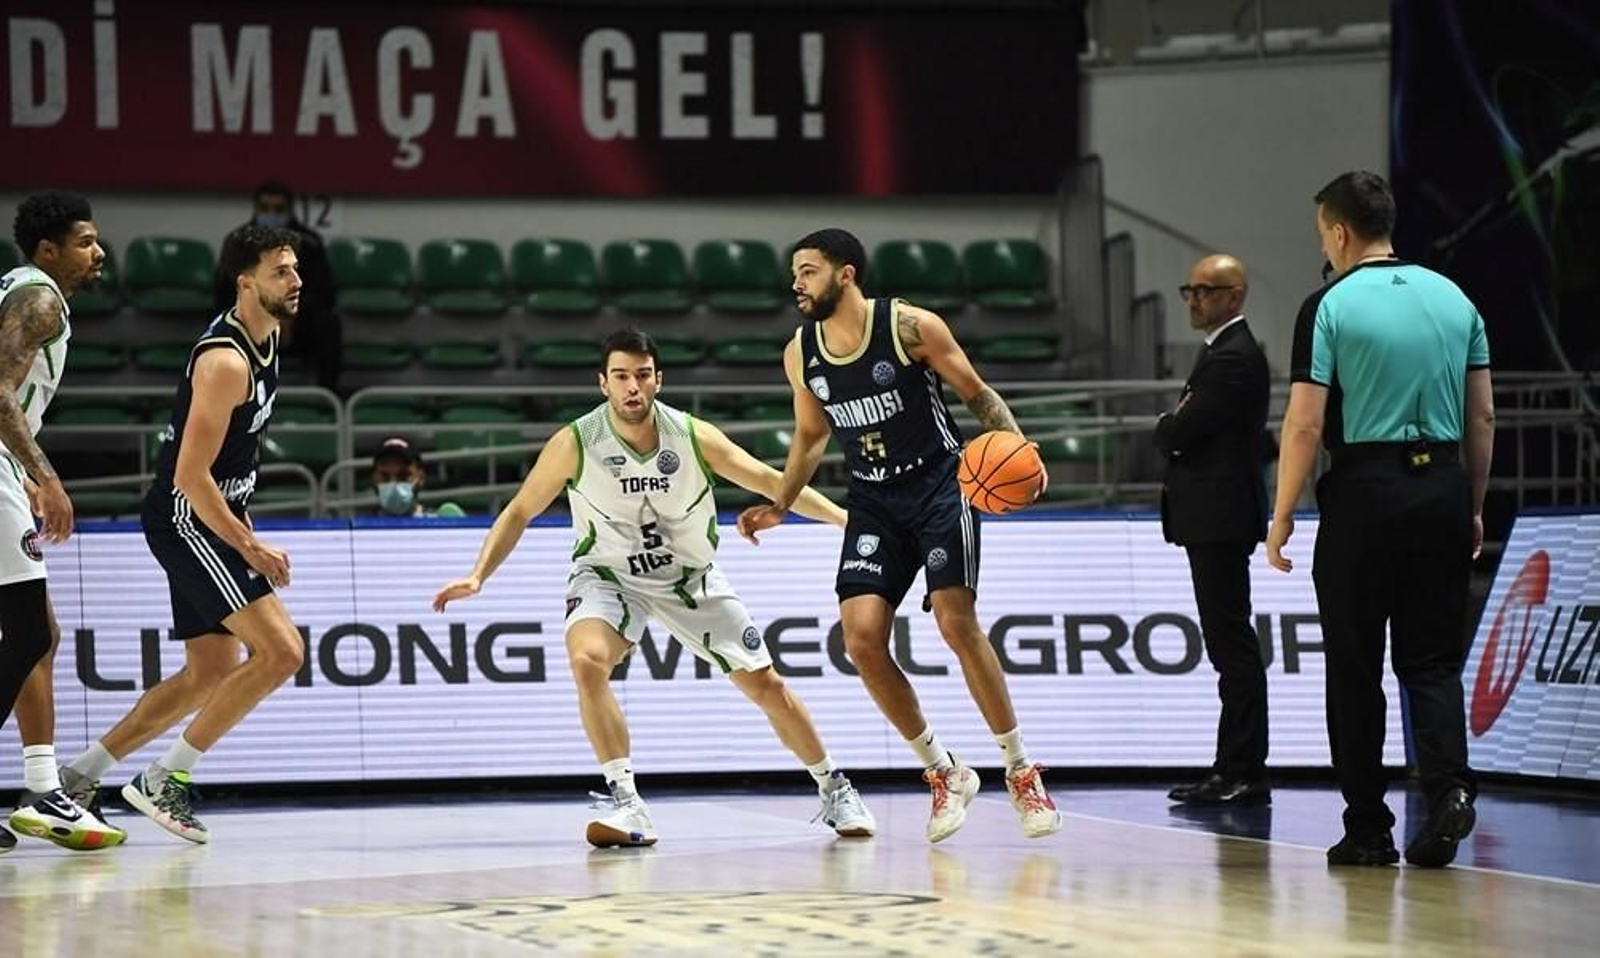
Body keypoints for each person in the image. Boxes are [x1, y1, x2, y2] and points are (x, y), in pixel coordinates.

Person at [433, 327, 876, 847]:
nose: (632, 387)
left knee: (769, 688)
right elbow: (520, 510)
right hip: (610, 576)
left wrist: (849, 520)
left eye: (642, 375)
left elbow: (770, 481)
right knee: (586, 661)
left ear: (658, 380)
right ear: (603, 384)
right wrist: (479, 574)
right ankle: (626, 801)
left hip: (691, 578)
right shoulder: (576, 442)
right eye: (621, 376)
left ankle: (834, 786)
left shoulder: (691, 435)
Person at [738, 228, 1061, 844]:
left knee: (954, 621)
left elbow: (976, 394)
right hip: (874, 501)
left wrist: (1018, 447)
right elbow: (810, 437)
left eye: (808, 271)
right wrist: (780, 502)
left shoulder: (911, 327)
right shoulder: (799, 353)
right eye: (794, 273)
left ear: (847, 274)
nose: (796, 284)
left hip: (941, 485)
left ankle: (1020, 769)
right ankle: (944, 772)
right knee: (860, 643)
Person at [1268, 171, 1494, 869]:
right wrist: (1475, 505)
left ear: (1339, 232)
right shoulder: (1456, 298)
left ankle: (1368, 826)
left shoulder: (1328, 304)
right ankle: (1451, 789)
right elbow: (1483, 414)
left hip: (1365, 490)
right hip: (1444, 488)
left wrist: (1280, 517)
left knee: (1356, 668)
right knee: (1431, 662)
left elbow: (1305, 424)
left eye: (1323, 236)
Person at [59, 224, 305, 845]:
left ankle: (80, 777)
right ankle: (166, 778)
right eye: (281, 271)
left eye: (296, 269)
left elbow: (231, 461)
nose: (296, 280)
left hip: (210, 516)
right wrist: (248, 544)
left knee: (208, 671)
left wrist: (244, 524)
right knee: (282, 653)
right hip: (186, 517)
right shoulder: (225, 360)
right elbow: (192, 477)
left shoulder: (270, 338)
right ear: (245, 282)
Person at [0, 192, 124, 853]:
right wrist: (46, 475)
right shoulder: (41, 297)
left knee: (36, 633)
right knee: (26, 635)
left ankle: (42, 789)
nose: (98, 251)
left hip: (1, 467)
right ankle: (43, 792)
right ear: (49, 250)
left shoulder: (22, 289)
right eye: (84, 241)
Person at [1155, 254, 1272, 806]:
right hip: (1215, 516)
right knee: (1228, 644)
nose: (1193, 300)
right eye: (1189, 290)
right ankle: (1232, 764)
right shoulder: (1221, 354)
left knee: (1233, 645)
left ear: (1235, 295)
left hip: (1221, 517)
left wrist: (1170, 425)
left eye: (1204, 291)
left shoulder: (1234, 358)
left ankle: (1243, 768)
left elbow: (1182, 428)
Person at [215, 180, 341, 392]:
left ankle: (327, 397)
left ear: (290, 211)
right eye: (265, 208)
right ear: (255, 209)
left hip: (298, 323)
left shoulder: (309, 243)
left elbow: (324, 292)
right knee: (225, 322)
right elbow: (225, 291)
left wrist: (288, 316)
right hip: (252, 320)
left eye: (279, 209)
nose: (271, 214)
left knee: (329, 324)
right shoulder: (237, 243)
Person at [370, 437, 463, 518]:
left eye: (403, 476)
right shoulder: (359, 532)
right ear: (373, 479)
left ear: (421, 478)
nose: (393, 483)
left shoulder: (439, 526)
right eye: (385, 476)